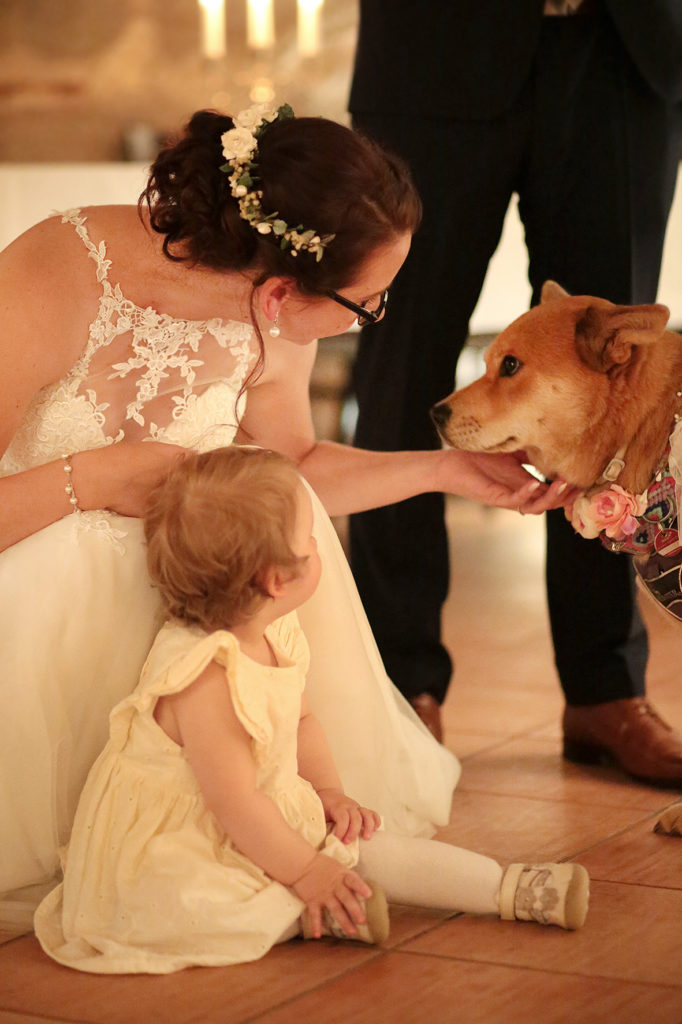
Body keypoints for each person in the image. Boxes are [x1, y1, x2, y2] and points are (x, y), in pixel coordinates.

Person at [0, 103, 573, 929]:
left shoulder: (276, 321)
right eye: (367, 303)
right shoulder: (62, 267)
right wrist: (88, 480)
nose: (366, 321)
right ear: (280, 287)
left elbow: (292, 470)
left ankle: (261, 834)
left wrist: (448, 468)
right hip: (34, 599)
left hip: (197, 598)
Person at [33, 447, 589, 973]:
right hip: (189, 838)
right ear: (278, 579)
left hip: (262, 812)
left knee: (370, 851)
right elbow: (232, 802)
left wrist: (328, 792)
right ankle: (310, 910)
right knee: (204, 905)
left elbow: (300, 723)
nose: (321, 546)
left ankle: (507, 888)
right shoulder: (206, 675)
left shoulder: (277, 634)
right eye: (310, 539)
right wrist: (304, 869)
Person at [348, 0, 682, 771]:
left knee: (614, 387)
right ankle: (400, 685)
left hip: (623, 48)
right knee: (402, 368)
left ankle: (606, 688)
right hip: (433, 54)